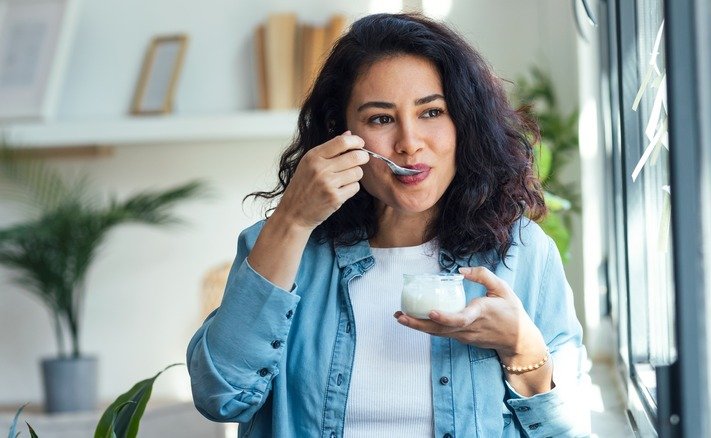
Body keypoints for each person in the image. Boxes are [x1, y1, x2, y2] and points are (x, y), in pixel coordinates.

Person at [187, 12, 590, 438]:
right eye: (381, 118)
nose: (410, 142)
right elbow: (219, 397)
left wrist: (521, 347)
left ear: (464, 123)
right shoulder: (284, 246)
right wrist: (291, 219)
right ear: (339, 132)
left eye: (431, 112)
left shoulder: (523, 254)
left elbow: (567, 432)